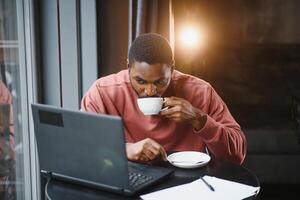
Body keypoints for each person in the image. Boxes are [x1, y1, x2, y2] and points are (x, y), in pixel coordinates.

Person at [81, 33, 246, 165]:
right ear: (128, 68)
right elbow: (80, 145)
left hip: (187, 183)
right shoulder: (103, 92)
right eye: (140, 81)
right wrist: (124, 150)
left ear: (172, 69)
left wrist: (199, 119)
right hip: (129, 178)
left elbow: (237, 155)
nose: (150, 91)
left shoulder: (201, 92)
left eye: (160, 81)